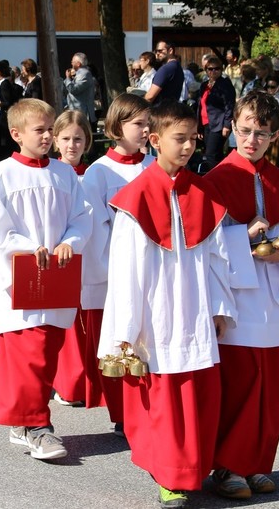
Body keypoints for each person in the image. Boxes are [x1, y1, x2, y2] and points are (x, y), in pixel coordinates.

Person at [98, 101, 236, 508]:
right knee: (163, 402)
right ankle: (169, 475)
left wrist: (219, 307)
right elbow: (125, 271)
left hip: (195, 310)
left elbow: (217, 257)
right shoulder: (135, 198)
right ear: (155, 140)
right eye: (180, 139)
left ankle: (192, 469)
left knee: (198, 398)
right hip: (155, 315)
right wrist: (126, 329)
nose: (189, 146)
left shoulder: (203, 191)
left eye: (193, 138)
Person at [204, 90, 279, 499]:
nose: (252, 140)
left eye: (262, 133)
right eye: (246, 130)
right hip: (235, 296)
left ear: (275, 136)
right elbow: (207, 246)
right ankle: (227, 466)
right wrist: (244, 238)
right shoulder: (215, 182)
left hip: (271, 295)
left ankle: (257, 462)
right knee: (240, 382)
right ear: (232, 128)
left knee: (268, 383)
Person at [0, 98, 92, 462]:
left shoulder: (63, 174)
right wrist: (27, 248)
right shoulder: (4, 173)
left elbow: (81, 217)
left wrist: (70, 242)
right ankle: (37, 427)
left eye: (50, 129)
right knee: (28, 353)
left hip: (55, 276)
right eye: (39, 130)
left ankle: (22, 423)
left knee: (47, 351)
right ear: (16, 134)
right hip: (18, 280)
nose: (47, 136)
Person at [71, 94, 153, 434]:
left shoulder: (154, 165)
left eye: (149, 123)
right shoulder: (100, 173)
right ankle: (123, 413)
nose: (146, 130)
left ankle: (150, 409)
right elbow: (94, 229)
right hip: (113, 276)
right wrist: (114, 273)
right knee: (120, 344)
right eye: (139, 124)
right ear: (117, 127)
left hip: (153, 271)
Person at [48, 109, 94, 408]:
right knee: (65, 320)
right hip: (60, 254)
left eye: (78, 139)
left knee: (87, 320)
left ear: (87, 141)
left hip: (91, 255)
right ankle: (68, 383)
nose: (72, 145)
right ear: (55, 140)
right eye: (65, 139)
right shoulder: (50, 173)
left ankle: (90, 381)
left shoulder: (95, 174)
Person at [197, 54, 236, 172]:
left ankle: (212, 178)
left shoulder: (225, 84)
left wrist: (227, 125)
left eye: (217, 69)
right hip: (206, 124)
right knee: (214, 154)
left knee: (211, 155)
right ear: (206, 70)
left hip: (218, 124)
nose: (213, 71)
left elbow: (229, 105)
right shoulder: (204, 85)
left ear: (221, 70)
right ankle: (222, 176)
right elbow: (201, 106)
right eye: (210, 69)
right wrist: (199, 127)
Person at [145, 41, 184, 105]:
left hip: (160, 109)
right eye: (156, 51)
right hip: (172, 108)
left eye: (160, 51)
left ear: (170, 51)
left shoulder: (166, 69)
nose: (157, 54)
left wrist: (139, 107)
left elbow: (150, 97)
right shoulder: (177, 67)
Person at [63, 52, 96, 124]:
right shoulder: (79, 73)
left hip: (82, 114)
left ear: (78, 64)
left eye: (73, 61)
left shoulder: (84, 74)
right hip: (78, 112)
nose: (71, 63)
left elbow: (73, 89)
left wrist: (68, 78)